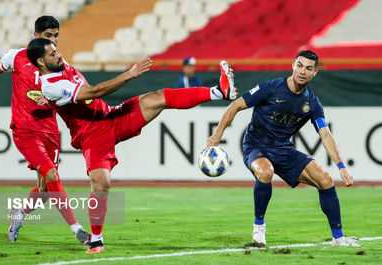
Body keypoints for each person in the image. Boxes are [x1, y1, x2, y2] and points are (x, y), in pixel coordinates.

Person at [26, 38, 237, 253]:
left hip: (111, 117)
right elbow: (93, 92)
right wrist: (130, 74)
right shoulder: (50, 86)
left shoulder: (61, 67)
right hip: (91, 134)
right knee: (101, 183)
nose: (59, 55)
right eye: (52, 54)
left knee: (157, 98)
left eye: (57, 49)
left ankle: (219, 92)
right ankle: (96, 240)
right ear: (41, 62)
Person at [208, 50, 360, 247]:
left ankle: (338, 238)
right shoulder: (270, 88)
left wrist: (341, 166)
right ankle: (259, 229)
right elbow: (235, 105)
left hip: (283, 149)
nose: (302, 71)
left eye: (308, 68)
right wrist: (218, 134)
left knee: (326, 180)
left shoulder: (312, 103)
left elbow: (325, 135)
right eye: (299, 65)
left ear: (315, 73)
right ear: (292, 65)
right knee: (265, 171)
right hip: (256, 146)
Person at [0, 16, 90, 244]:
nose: (53, 40)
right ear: (36, 36)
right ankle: (77, 230)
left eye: (56, 36)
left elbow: (83, 91)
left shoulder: (60, 64)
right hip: (25, 130)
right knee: (53, 176)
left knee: (44, 190)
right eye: (48, 36)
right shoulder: (16, 57)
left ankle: (19, 214)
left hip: (50, 131)